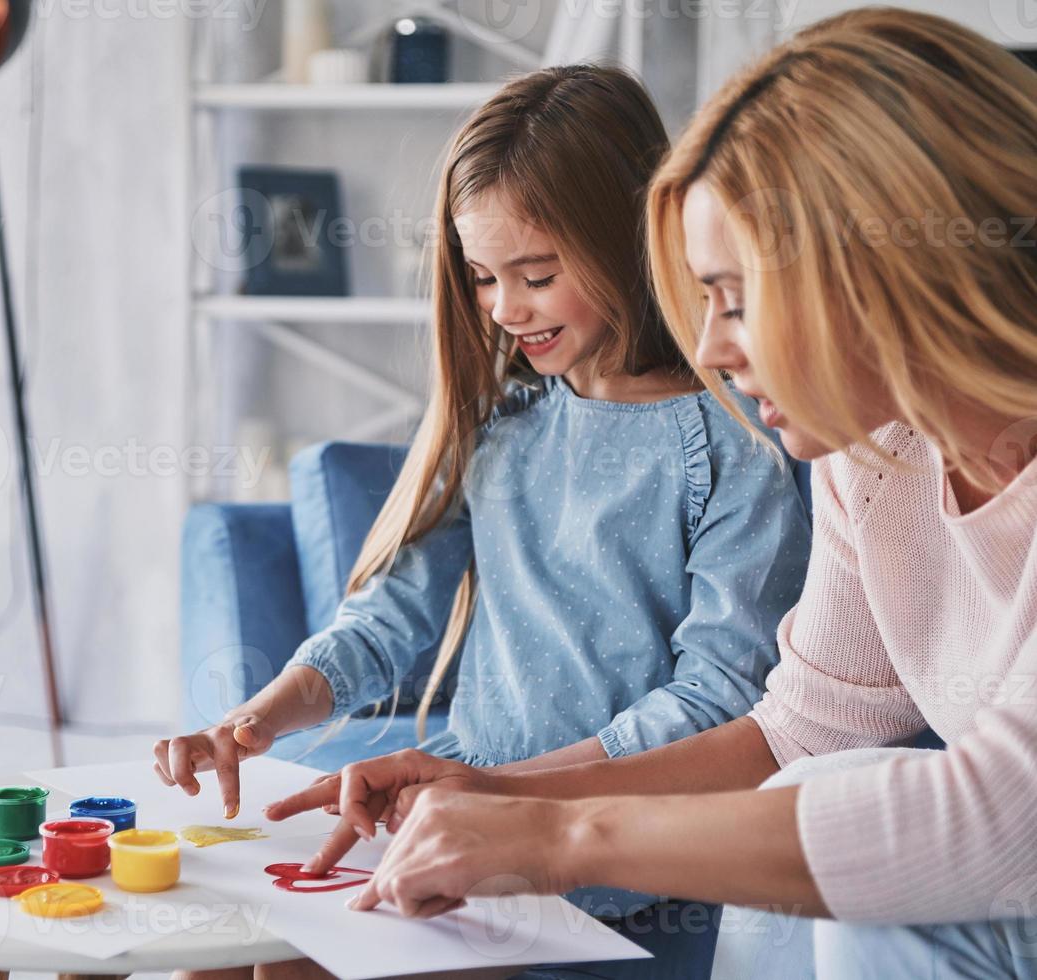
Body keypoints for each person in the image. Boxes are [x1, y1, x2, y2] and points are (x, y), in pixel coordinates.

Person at [272, 10, 1037, 979]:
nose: (712, 346)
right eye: (699, 297)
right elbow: (793, 726)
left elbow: (1004, 822)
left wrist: (566, 837)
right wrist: (504, 789)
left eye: (738, 295)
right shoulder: (870, 458)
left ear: (884, 270)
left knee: (854, 786)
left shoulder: (744, 444)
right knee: (826, 767)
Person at [163, 64, 810, 980]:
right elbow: (390, 621)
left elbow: (716, 704)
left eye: (537, 276)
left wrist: (516, 800)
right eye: (480, 277)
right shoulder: (505, 422)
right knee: (221, 959)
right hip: (461, 796)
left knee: (295, 968)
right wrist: (256, 719)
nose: (505, 310)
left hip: (617, 836)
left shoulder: (733, 444)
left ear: (628, 241)